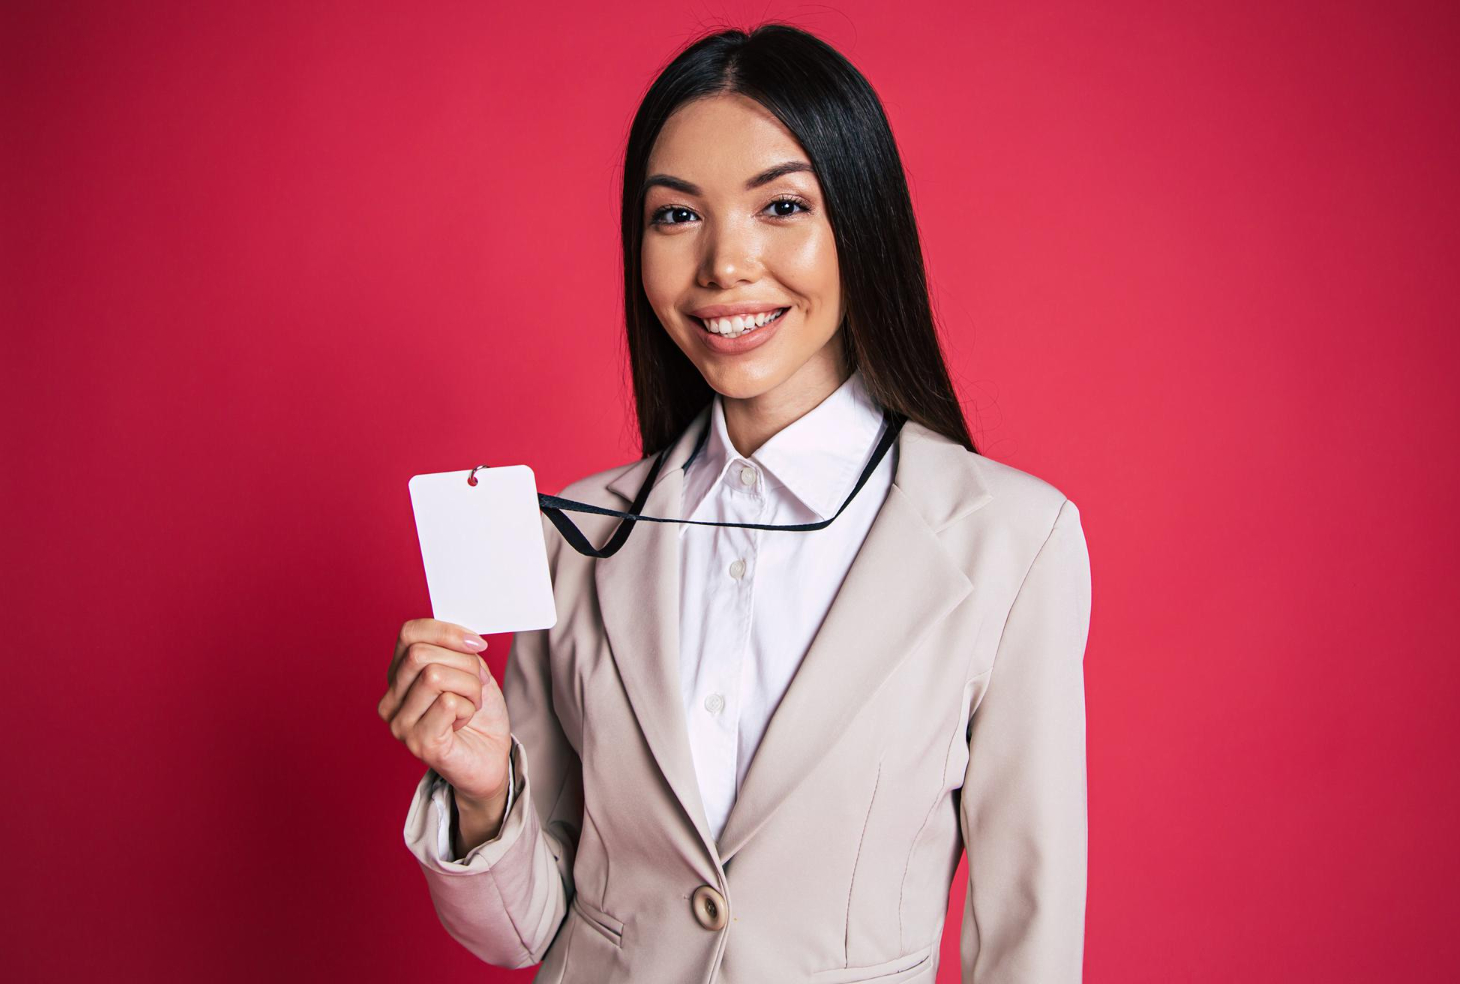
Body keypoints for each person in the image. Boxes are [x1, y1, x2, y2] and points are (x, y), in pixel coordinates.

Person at [377, 22, 1092, 983]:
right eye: (677, 216)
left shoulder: (1011, 541)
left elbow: (1027, 939)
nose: (724, 264)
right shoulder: (577, 536)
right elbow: (528, 932)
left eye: (782, 206)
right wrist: (479, 791)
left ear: (861, 224)